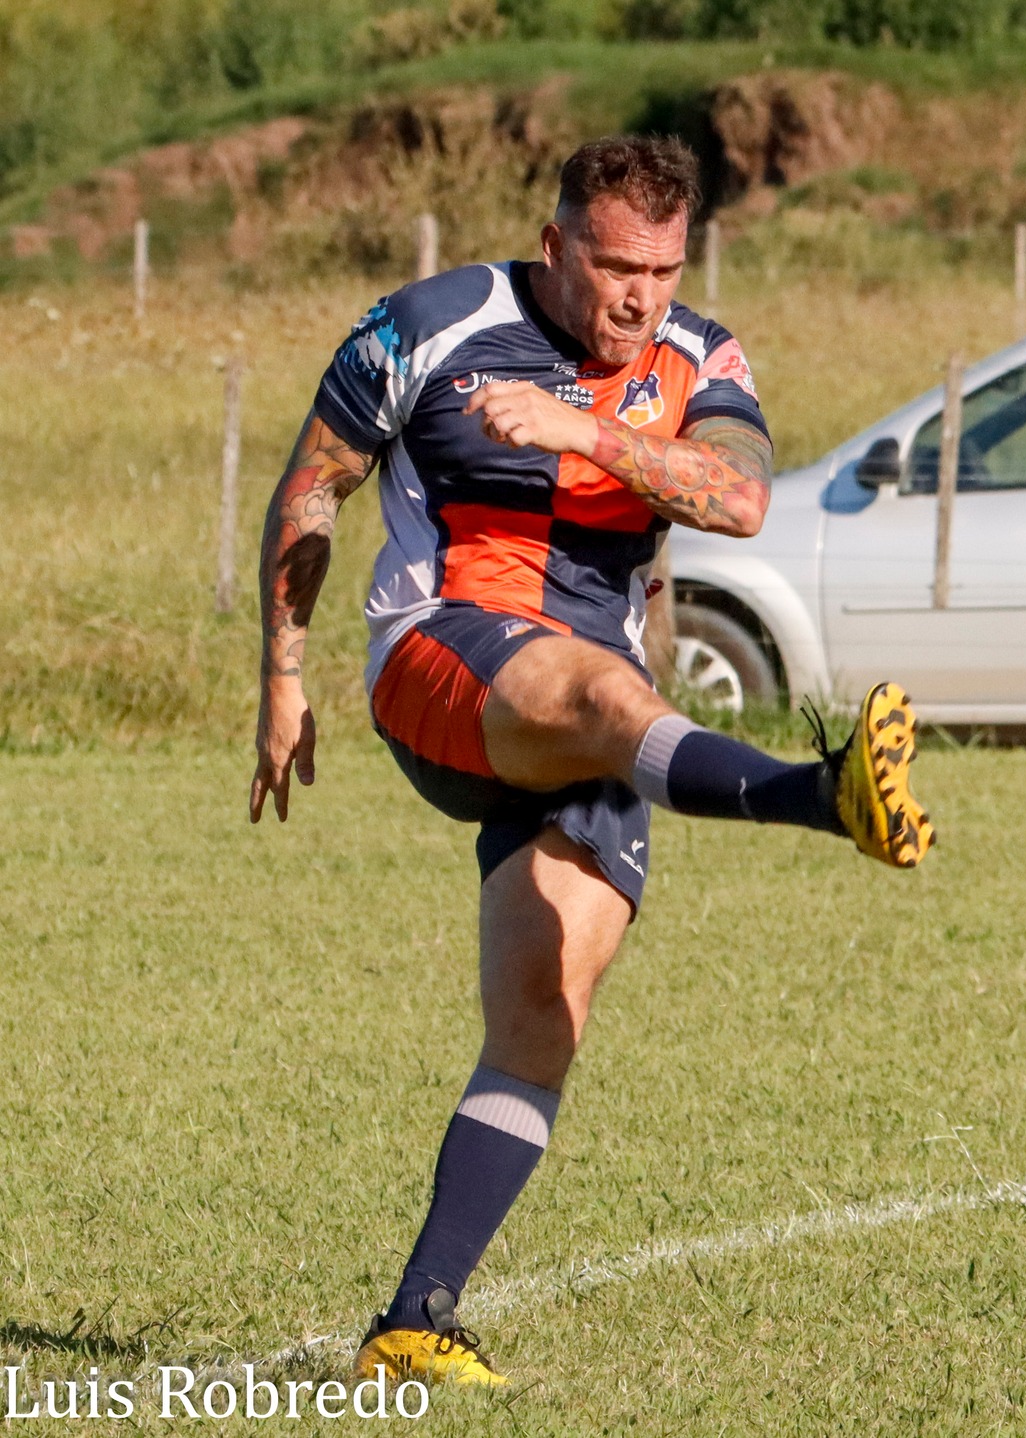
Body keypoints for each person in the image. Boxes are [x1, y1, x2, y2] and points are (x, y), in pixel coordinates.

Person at [248, 134, 932, 1387]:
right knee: (607, 689)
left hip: (594, 738)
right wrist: (282, 679)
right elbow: (311, 487)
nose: (640, 298)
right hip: (444, 653)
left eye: (663, 271)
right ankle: (819, 795)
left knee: (541, 1014)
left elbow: (737, 499)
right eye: (616, 267)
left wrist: (581, 430)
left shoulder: (698, 356)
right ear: (555, 243)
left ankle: (413, 1322)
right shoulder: (427, 327)